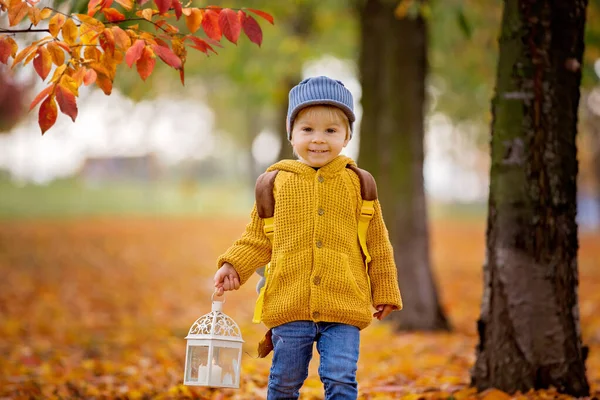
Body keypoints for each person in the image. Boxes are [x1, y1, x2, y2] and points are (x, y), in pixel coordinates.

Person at [213, 76, 403, 400]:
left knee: (341, 378)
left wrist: (384, 289)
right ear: (292, 134)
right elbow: (257, 238)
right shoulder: (275, 183)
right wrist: (233, 266)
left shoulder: (359, 184)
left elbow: (378, 243)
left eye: (331, 130)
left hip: (345, 303)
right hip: (290, 303)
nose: (318, 140)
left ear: (346, 137)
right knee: (285, 382)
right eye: (307, 130)